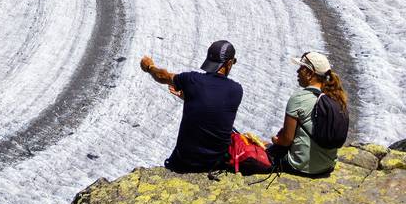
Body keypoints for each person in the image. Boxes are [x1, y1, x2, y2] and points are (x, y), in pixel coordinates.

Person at [139, 40, 243, 173]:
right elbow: (215, 108)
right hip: (215, 163)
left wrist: (149, 67)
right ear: (229, 63)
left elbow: (162, 76)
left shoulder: (192, 80)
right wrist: (190, 96)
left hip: (185, 161)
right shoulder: (236, 90)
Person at [268, 49, 348, 178]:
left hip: (300, 166)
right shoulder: (336, 98)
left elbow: (286, 140)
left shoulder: (299, 98)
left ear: (310, 73)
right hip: (327, 166)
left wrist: (276, 140)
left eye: (301, 68)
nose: (298, 72)